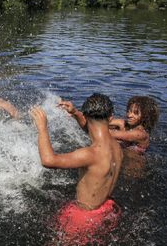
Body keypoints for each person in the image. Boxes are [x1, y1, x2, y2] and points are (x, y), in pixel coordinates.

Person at [32, 93, 123, 244]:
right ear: (111, 117)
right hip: (106, 208)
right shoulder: (116, 146)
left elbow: (48, 160)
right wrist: (75, 113)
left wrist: (42, 128)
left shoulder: (90, 154)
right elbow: (95, 131)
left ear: (86, 116)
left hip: (83, 218)